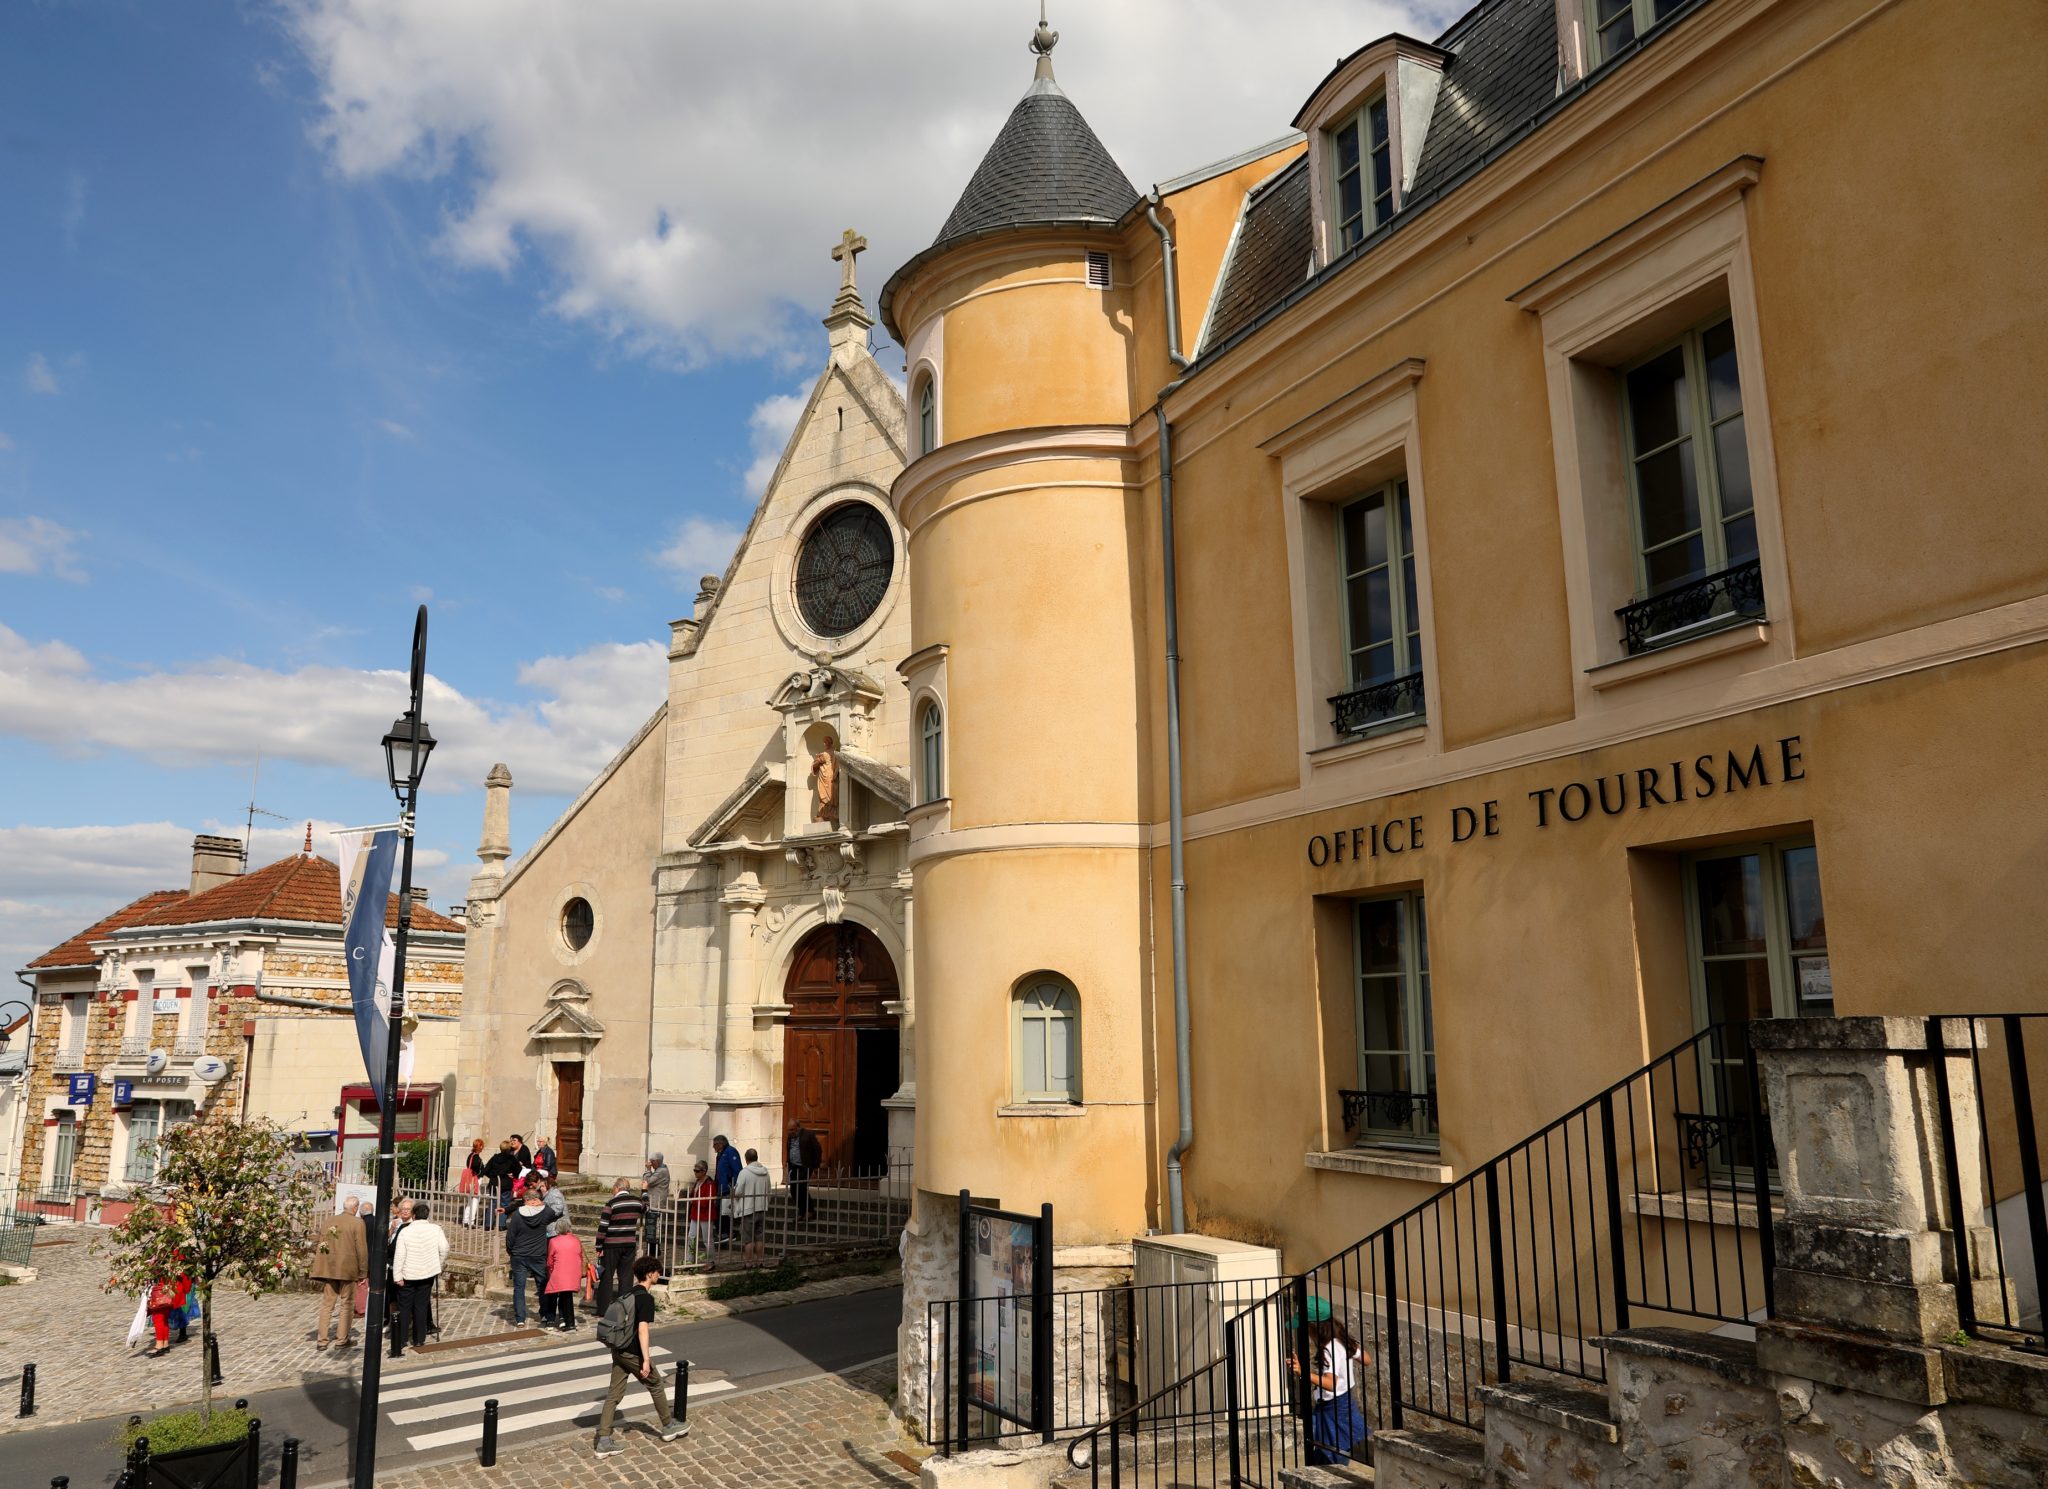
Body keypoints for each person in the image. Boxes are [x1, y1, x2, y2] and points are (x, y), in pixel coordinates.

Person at [593, 1254, 688, 1455]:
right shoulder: (645, 1298)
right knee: (655, 1384)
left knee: (613, 1395)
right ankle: (668, 1426)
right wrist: (646, 1360)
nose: (659, 1275)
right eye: (658, 1272)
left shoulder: (628, 1294)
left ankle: (603, 1439)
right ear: (650, 1274)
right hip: (633, 1353)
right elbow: (643, 1329)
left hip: (619, 1351)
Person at [1286, 1296, 1369, 1466]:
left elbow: (1331, 1384)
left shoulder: (1329, 1350)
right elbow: (1367, 1359)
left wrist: (1303, 1372)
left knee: (1334, 1457)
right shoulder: (1342, 1341)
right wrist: (1352, 1348)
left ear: (1313, 1328)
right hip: (1342, 1404)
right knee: (1327, 1454)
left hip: (1334, 1408)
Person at [309, 1195, 368, 1350]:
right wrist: (363, 1272)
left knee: (327, 1304)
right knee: (347, 1304)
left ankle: (322, 1340)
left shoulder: (329, 1221)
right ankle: (342, 1339)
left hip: (330, 1268)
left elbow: (322, 1244)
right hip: (348, 1269)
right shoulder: (357, 1223)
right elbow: (361, 1249)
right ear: (355, 1208)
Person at [390, 1201, 449, 1355]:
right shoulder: (436, 1229)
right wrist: (438, 1265)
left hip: (408, 1274)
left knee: (404, 1307)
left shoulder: (406, 1231)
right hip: (427, 1273)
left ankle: (402, 1338)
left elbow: (399, 1255)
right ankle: (419, 1338)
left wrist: (397, 1276)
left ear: (414, 1215)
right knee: (421, 1306)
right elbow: (444, 1248)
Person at [595, 1176, 646, 1315]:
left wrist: (598, 1246)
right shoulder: (636, 1201)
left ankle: (603, 1309)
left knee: (607, 1277)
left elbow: (603, 1226)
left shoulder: (611, 1203)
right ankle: (624, 1309)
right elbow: (645, 1207)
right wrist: (644, 1191)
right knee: (626, 1277)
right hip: (629, 1243)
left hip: (611, 1244)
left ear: (617, 1188)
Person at [504, 1185, 553, 1326]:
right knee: (542, 1285)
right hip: (538, 1255)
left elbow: (510, 1237)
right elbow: (554, 1212)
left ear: (525, 1200)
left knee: (519, 1287)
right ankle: (545, 1314)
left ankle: (520, 1318)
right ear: (536, 1200)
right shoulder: (544, 1213)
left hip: (519, 1255)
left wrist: (511, 1252)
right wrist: (542, 1204)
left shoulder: (518, 1215)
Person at [732, 1147, 772, 1268]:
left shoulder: (744, 1172)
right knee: (759, 1237)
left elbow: (738, 1192)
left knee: (748, 1239)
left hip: (748, 1209)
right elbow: (769, 1190)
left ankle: (748, 1262)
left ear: (746, 1159)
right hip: (761, 1207)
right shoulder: (765, 1172)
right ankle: (760, 1261)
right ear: (756, 1157)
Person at [543, 1223, 586, 1332]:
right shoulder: (576, 1240)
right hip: (574, 1272)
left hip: (560, 1272)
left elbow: (550, 1261)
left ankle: (567, 1323)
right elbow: (580, 1256)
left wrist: (551, 1271)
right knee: (567, 1296)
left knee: (557, 1295)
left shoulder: (554, 1241)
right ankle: (567, 1321)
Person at [145, 1268, 193, 1358]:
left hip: (165, 1290)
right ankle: (165, 1344)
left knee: (158, 1317)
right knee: (163, 1318)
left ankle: (159, 1346)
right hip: (171, 1289)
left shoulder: (169, 1256)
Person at [682, 1160, 717, 1267]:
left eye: (697, 1171)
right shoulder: (697, 1182)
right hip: (695, 1214)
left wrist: (694, 1200)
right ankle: (689, 1259)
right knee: (691, 1236)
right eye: (694, 1170)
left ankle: (710, 1261)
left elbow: (707, 1201)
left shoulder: (710, 1183)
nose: (695, 1173)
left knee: (707, 1239)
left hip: (706, 1215)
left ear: (704, 1171)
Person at [482, 1139, 520, 1231]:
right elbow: (518, 1169)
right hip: (506, 1183)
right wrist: (512, 1174)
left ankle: (488, 1224)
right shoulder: (511, 1158)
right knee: (504, 1203)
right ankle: (501, 1225)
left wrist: (494, 1175)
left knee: (492, 1203)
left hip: (494, 1183)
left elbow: (485, 1170)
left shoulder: (495, 1157)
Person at [788, 1123, 822, 1222]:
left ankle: (810, 1211)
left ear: (798, 1128)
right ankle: (802, 1212)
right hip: (794, 1166)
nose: (790, 1132)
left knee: (802, 1188)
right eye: (789, 1130)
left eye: (792, 1130)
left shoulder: (808, 1134)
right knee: (793, 1190)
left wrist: (816, 1165)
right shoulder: (790, 1137)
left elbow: (817, 1150)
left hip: (805, 1166)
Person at [641, 1153, 672, 1261]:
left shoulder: (661, 1172)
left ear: (658, 1161)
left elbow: (647, 1182)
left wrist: (648, 1170)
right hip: (654, 1203)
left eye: (652, 1161)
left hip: (656, 1204)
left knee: (652, 1228)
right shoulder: (660, 1170)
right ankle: (653, 1250)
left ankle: (652, 1251)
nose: (650, 1163)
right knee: (651, 1228)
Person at [711, 1135, 741, 1243]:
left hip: (727, 1188)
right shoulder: (720, 1154)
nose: (713, 1147)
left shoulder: (730, 1152)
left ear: (720, 1144)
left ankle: (727, 1233)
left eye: (714, 1145)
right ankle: (722, 1233)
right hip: (720, 1188)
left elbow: (737, 1170)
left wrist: (732, 1185)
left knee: (725, 1212)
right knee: (720, 1211)